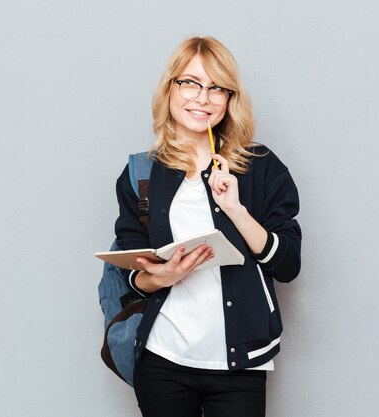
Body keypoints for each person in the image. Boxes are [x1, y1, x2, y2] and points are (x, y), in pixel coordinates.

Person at [113, 36, 302, 417]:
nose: (203, 98)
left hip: (240, 362)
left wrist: (235, 209)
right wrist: (162, 276)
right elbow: (131, 272)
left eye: (217, 87)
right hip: (162, 357)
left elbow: (288, 266)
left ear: (230, 99)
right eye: (190, 83)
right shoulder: (140, 173)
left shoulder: (260, 166)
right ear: (170, 89)